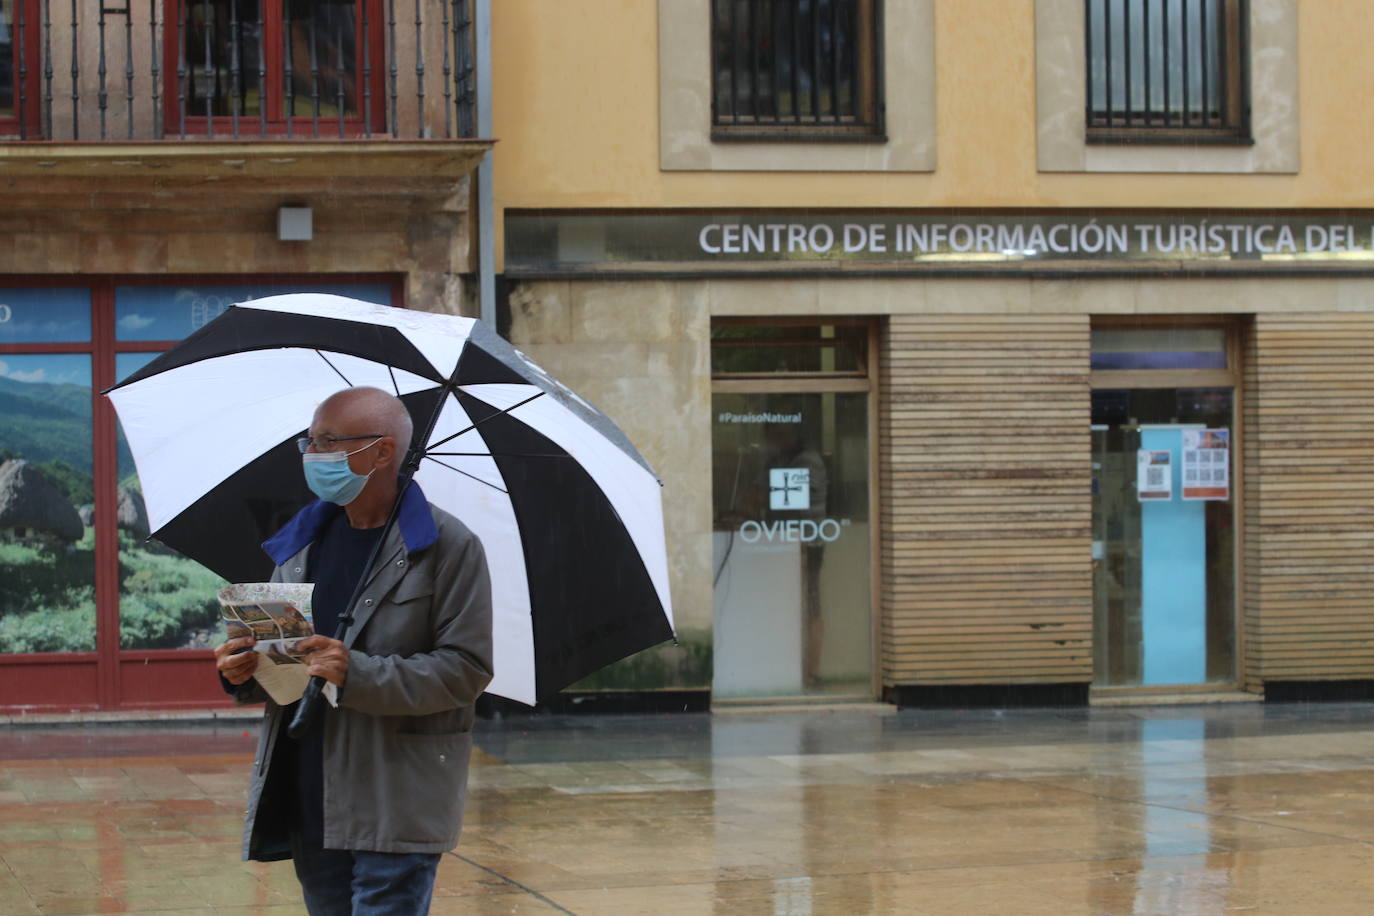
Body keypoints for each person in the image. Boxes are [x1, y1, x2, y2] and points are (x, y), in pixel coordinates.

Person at [213, 386, 493, 915]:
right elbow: (287, 664)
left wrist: (355, 672)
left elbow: (465, 670)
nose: (312, 455)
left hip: (396, 795)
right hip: (311, 789)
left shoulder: (448, 548)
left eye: (327, 442)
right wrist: (243, 669)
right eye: (309, 441)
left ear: (382, 452)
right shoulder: (300, 543)